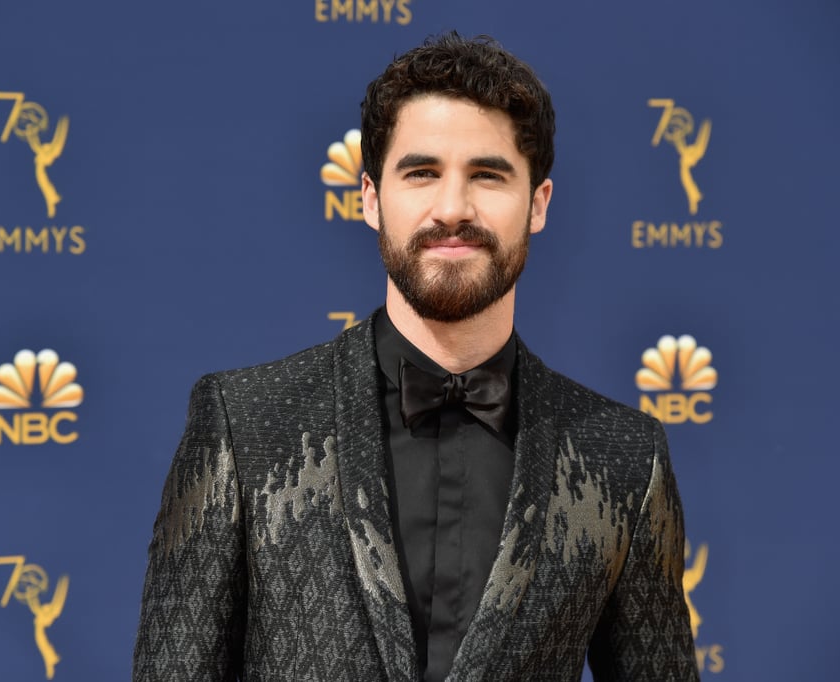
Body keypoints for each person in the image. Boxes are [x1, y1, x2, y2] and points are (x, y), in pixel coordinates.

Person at [133, 32, 699, 682]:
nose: (452, 209)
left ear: (537, 205)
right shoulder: (245, 426)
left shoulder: (624, 461)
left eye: (487, 175)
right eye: (422, 172)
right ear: (370, 198)